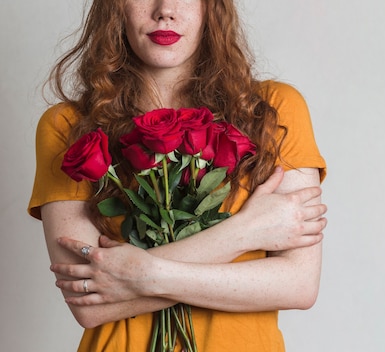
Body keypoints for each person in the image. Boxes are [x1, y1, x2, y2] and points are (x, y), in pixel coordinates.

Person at [27, 0, 327, 351]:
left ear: (210, 8)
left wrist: (139, 276)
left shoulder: (273, 110)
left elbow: (298, 284)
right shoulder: (67, 126)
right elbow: (91, 306)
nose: (165, 9)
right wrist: (243, 233)